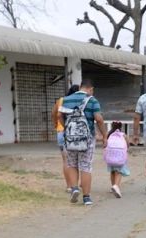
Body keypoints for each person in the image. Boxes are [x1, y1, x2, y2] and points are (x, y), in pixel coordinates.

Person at [58, 78, 107, 206]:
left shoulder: (66, 99)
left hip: (69, 139)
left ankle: (74, 188)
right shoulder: (92, 100)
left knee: (72, 164)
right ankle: (86, 197)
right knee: (85, 166)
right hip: (87, 139)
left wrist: (66, 128)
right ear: (91, 89)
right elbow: (99, 119)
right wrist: (104, 135)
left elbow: (59, 115)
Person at [52, 84, 80, 191]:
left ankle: (69, 186)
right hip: (76, 133)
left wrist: (57, 125)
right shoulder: (80, 101)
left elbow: (54, 113)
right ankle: (76, 185)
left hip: (61, 132)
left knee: (66, 161)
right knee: (78, 161)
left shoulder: (62, 100)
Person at [104, 120, 130, 198]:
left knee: (112, 171)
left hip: (110, 157)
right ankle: (116, 186)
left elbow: (105, 143)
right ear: (121, 127)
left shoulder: (108, 134)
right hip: (120, 158)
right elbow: (128, 145)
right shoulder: (123, 135)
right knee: (118, 171)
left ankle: (113, 186)